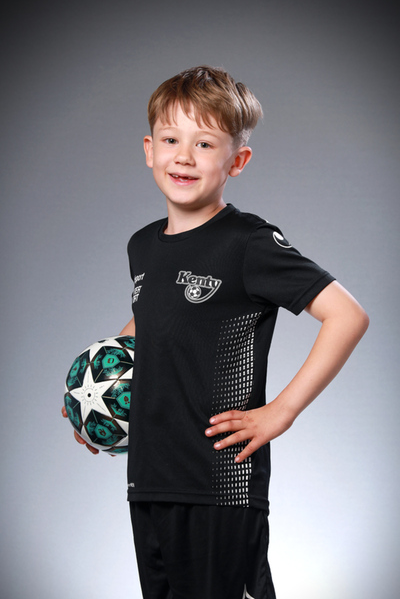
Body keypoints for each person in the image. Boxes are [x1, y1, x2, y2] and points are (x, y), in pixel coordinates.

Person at [62, 65, 369, 599]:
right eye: (171, 140)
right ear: (149, 149)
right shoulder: (142, 245)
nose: (184, 156)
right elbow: (149, 328)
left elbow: (348, 316)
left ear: (237, 161)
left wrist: (282, 411)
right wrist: (97, 404)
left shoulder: (248, 243)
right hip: (149, 479)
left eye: (204, 144)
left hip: (220, 482)